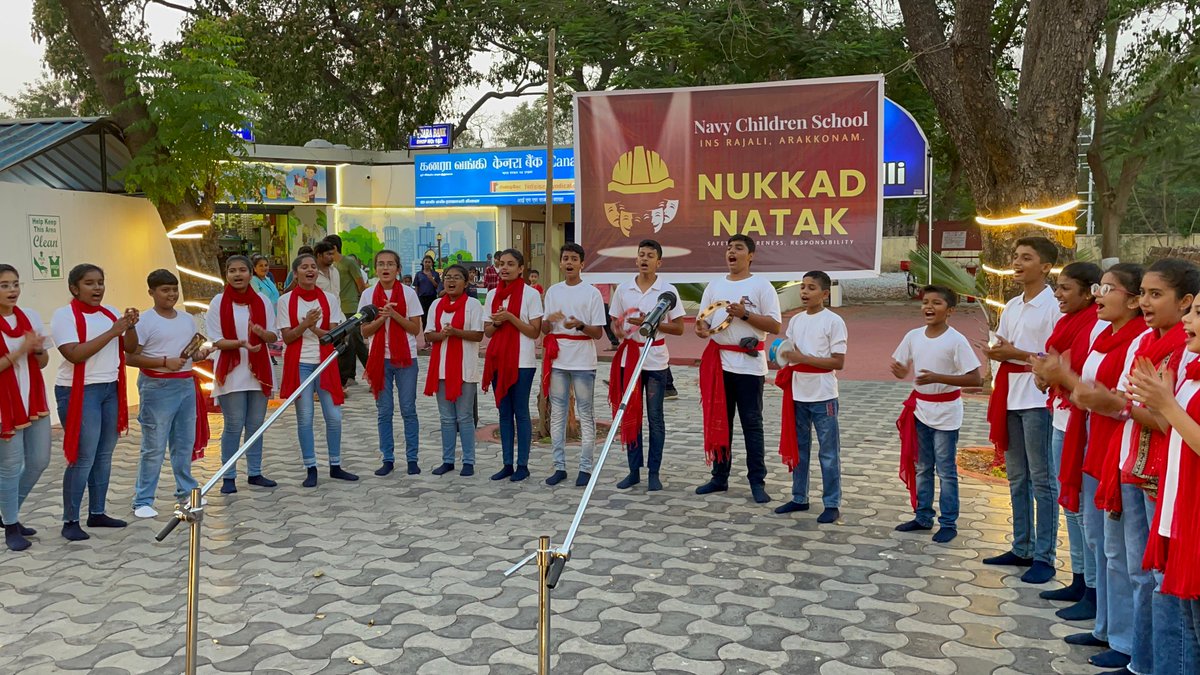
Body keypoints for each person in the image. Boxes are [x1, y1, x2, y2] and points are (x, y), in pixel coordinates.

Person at [1065, 260, 1196, 673]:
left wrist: (1122, 405)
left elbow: (1158, 415)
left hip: (1165, 478)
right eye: (1144, 294)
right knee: (1131, 565)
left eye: (1156, 295)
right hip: (1130, 463)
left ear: (1185, 301)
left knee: (1161, 582)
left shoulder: (1183, 350)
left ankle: (1145, 658)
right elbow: (1133, 402)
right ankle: (1138, 655)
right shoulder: (1147, 343)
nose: (1146, 302)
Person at [1039, 263, 1154, 671]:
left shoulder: (1139, 339)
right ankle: (1105, 625)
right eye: (1099, 287)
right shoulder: (1101, 334)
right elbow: (1090, 393)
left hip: (1116, 446)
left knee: (1125, 553)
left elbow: (1113, 400)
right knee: (1102, 543)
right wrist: (1064, 379)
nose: (1100, 294)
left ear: (1134, 300)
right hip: (1091, 441)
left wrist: (1065, 377)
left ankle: (1127, 641)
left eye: (1109, 288)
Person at [981, 236, 1063, 584]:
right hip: (1010, 396)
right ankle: (1021, 545)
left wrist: (1013, 353)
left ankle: (1045, 555)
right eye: (1015, 257)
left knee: (1042, 479)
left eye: (1026, 258)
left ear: (1045, 266)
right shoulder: (1012, 304)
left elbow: (1055, 358)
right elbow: (1002, 343)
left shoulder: (1054, 307)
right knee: (1016, 476)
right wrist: (996, 354)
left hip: (1037, 399)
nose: (1017, 263)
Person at [1127, 293, 1200, 672]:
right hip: (1181, 508)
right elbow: (1175, 428)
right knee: (1186, 627)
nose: (1188, 319)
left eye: (1198, 313)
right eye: (1191, 311)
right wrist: (1160, 400)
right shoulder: (1194, 370)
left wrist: (1166, 404)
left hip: (1195, 512)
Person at [1029, 261, 1103, 618]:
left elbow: (1078, 370)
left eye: (1066, 288)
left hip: (1081, 419)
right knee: (1069, 503)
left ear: (1090, 292)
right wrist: (1047, 376)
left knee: (1082, 507)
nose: (1058, 294)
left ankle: (1092, 587)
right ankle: (1079, 576)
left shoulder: (1093, 324)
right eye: (1057, 287)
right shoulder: (1066, 321)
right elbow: (1054, 362)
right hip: (1061, 415)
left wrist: (1055, 374)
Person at [52, 264, 138, 541]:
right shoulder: (63, 316)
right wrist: (114, 331)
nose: (98, 288)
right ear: (74, 288)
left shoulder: (110, 313)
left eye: (100, 282)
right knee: (83, 456)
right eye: (89, 283)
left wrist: (130, 327)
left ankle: (97, 512)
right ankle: (70, 520)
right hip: (79, 391)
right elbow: (75, 354)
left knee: (104, 454)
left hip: (109, 389)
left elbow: (130, 348)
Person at [890, 285, 983, 543]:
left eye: (937, 303)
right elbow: (902, 369)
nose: (929, 307)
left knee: (946, 469)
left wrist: (938, 377)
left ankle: (949, 522)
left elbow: (975, 378)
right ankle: (922, 516)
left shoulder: (956, 340)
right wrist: (899, 370)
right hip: (920, 410)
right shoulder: (913, 336)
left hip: (947, 413)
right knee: (922, 467)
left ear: (950, 310)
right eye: (925, 302)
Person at [694, 234, 782, 503]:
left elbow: (775, 326)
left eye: (738, 248)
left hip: (749, 366)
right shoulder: (715, 285)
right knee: (721, 422)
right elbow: (703, 322)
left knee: (752, 425)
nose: (732, 252)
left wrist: (744, 314)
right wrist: (702, 329)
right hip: (719, 363)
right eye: (729, 248)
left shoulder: (762, 286)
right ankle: (719, 477)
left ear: (751, 255)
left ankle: (757, 481)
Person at [126, 269, 210, 519]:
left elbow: (190, 353)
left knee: (183, 443)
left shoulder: (186, 319)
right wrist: (164, 361)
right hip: (157, 387)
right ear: (151, 292)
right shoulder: (145, 321)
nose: (171, 294)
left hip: (185, 384)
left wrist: (198, 356)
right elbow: (131, 356)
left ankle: (185, 491)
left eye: (174, 289)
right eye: (165, 290)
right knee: (154, 445)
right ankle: (142, 499)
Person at [608, 239, 685, 491]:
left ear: (658, 262)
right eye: (641, 255)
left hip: (655, 360)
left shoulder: (668, 290)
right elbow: (614, 324)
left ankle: (654, 471)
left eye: (650, 255)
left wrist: (650, 323)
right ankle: (633, 470)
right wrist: (618, 329)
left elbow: (679, 327)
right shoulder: (623, 289)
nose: (644, 259)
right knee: (631, 415)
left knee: (655, 417)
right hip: (630, 359)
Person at [773, 271, 847, 524]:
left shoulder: (834, 321)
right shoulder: (796, 321)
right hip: (797, 393)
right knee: (800, 449)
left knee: (828, 452)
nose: (805, 292)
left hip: (823, 395)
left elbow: (838, 361)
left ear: (825, 294)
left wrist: (803, 359)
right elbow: (789, 353)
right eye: (803, 287)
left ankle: (832, 503)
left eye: (811, 288)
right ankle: (799, 497)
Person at [278, 253, 357, 487]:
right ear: (296, 273)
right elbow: (288, 337)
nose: (310, 270)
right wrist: (305, 325)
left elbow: (333, 336)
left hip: (325, 362)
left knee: (334, 417)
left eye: (313, 267)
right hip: (299, 362)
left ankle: (335, 465)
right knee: (305, 418)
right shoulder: (286, 301)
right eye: (304, 267)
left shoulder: (330, 299)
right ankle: (311, 467)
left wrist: (314, 328)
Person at [209, 256, 278, 494]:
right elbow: (216, 340)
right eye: (232, 271)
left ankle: (255, 472)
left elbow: (273, 337)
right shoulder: (218, 302)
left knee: (256, 425)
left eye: (242, 270)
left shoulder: (262, 301)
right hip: (231, 370)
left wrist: (261, 333)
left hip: (259, 369)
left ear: (251, 274)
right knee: (234, 424)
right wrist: (241, 343)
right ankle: (228, 476)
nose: (237, 275)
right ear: (225, 275)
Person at [541, 244, 606, 487]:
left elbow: (598, 333)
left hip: (582, 359)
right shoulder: (553, 292)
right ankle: (559, 466)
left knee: (585, 412)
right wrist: (549, 320)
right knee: (557, 412)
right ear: (560, 263)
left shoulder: (592, 293)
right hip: (558, 359)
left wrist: (579, 325)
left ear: (582, 264)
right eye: (565, 258)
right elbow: (544, 329)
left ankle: (585, 468)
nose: (569, 262)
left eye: (574, 259)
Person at [0, 264, 51, 551]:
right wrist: (19, 350)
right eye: (5, 285)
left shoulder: (28, 317)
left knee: (39, 460)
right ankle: (11, 526)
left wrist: (38, 350)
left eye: (15, 284)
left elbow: (42, 364)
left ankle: (8, 512)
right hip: (4, 405)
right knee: (9, 467)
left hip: (33, 400)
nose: (12, 290)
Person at [360, 250, 424, 477]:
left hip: (406, 358)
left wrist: (395, 315)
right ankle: (387, 458)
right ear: (375, 269)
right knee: (384, 411)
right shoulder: (368, 295)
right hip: (379, 360)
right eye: (380, 264)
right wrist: (382, 318)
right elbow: (364, 331)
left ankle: (412, 459)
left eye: (390, 264)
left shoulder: (408, 294)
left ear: (398, 269)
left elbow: (415, 329)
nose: (385, 268)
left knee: (408, 409)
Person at [483, 249, 543, 482]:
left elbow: (534, 331)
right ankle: (507, 463)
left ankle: (523, 465)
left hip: (522, 362)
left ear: (521, 268)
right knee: (504, 412)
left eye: (510, 264)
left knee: (521, 411)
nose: (504, 268)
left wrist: (511, 318)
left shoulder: (530, 294)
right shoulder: (492, 295)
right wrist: (498, 323)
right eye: (501, 264)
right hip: (498, 360)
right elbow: (487, 331)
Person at [424, 264, 485, 476]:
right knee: (446, 418)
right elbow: (429, 335)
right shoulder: (436, 305)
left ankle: (468, 461)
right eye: (448, 277)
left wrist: (455, 332)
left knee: (465, 417)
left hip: (465, 369)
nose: (451, 281)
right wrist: (443, 335)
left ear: (466, 282)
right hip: (440, 369)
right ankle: (448, 461)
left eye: (457, 278)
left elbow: (478, 335)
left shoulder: (474, 305)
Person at [324, 235, 368, 388]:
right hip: (337, 309)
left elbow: (361, 285)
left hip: (351, 308)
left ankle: (373, 373)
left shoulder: (348, 262)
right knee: (344, 343)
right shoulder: (329, 266)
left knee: (356, 341)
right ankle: (347, 376)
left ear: (334, 248)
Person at [596, 282, 619, 350]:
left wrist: (617, 299)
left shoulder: (606, 276)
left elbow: (615, 287)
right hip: (595, 300)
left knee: (606, 322)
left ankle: (615, 342)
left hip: (603, 301)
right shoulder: (595, 276)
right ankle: (614, 342)